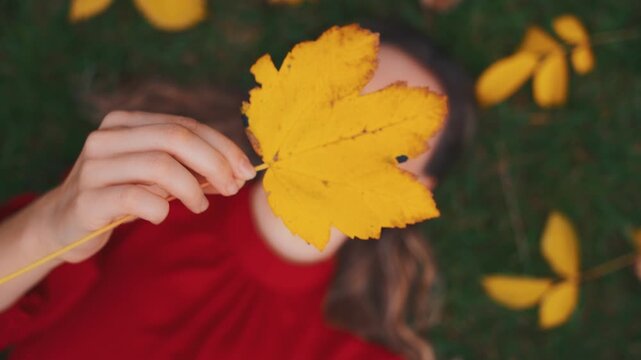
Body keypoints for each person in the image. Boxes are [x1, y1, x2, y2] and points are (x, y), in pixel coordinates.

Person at [0, 24, 475, 360]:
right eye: (339, 105)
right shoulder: (145, 194)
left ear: (417, 189)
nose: (346, 147)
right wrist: (46, 229)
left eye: (390, 148)